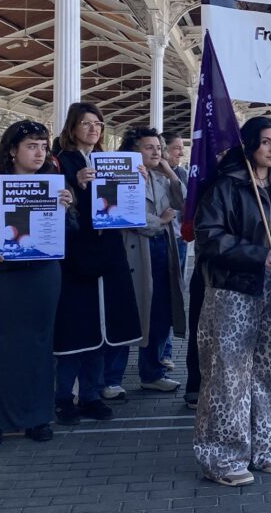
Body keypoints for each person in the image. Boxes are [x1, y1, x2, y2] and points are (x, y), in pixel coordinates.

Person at [193, 116, 271, 486]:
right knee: (229, 374)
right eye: (265, 141)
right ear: (248, 146)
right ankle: (223, 455)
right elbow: (209, 236)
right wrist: (257, 255)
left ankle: (264, 446)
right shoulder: (226, 186)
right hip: (233, 292)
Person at [0, 121, 73, 447]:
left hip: (42, 276)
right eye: (31, 146)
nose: (39, 153)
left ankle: (37, 417)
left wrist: (67, 209)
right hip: (0, 278)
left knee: (40, 345)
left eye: (43, 146)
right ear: (12, 150)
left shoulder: (55, 186)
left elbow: (71, 236)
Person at [52, 102, 142, 427]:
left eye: (98, 124)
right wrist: (74, 183)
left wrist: (137, 181)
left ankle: (91, 394)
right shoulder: (59, 161)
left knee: (103, 329)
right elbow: (52, 205)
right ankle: (63, 397)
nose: (94, 129)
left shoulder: (109, 161)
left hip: (108, 253)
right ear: (72, 127)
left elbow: (124, 207)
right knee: (76, 328)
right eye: (86, 123)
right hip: (76, 255)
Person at [105, 127, 185, 399]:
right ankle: (111, 377)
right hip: (133, 252)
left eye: (159, 147)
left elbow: (184, 202)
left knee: (160, 313)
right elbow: (124, 214)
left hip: (163, 251)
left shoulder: (161, 178)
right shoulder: (118, 175)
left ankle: (152, 372)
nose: (157, 152)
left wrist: (170, 172)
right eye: (149, 147)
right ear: (133, 151)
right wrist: (159, 221)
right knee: (129, 313)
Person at [160, 133, 188, 372]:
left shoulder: (182, 173)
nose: (180, 152)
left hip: (180, 239)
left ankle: (166, 352)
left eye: (182, 148)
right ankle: (161, 352)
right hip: (163, 237)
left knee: (174, 297)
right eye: (175, 148)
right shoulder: (156, 174)